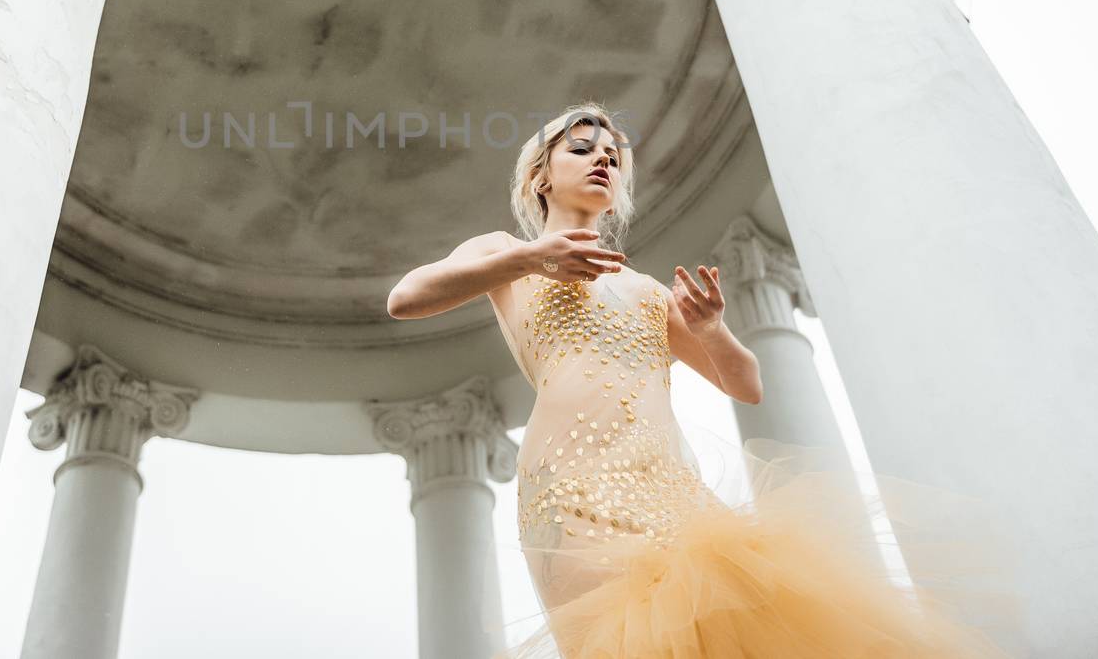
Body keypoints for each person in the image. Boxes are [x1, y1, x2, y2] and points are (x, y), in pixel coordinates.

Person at [387, 103, 1024, 658]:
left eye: (614, 154)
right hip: (570, 487)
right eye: (581, 149)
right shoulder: (500, 251)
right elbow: (405, 298)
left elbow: (746, 385)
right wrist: (532, 256)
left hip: (667, 486)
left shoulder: (643, 288)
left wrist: (713, 327)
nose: (603, 159)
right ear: (540, 175)